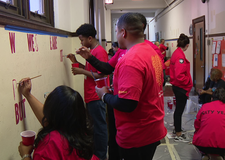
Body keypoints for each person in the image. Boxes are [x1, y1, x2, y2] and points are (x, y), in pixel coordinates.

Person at [93, 12, 167, 160]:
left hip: (137, 134)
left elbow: (128, 104)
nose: (117, 36)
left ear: (123, 32)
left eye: (116, 32)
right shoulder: (151, 52)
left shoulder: (131, 60)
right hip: (152, 126)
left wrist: (104, 95)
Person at [17, 78, 98, 160]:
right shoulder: (79, 130)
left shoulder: (50, 143)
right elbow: (50, 121)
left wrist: (26, 155)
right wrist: (28, 95)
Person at [67, 23, 108, 160]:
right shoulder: (92, 52)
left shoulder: (99, 52)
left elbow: (101, 74)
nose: (81, 43)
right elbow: (91, 70)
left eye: (82, 40)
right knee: (94, 127)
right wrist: (76, 62)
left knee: (99, 127)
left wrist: (81, 71)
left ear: (90, 38)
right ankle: (97, 154)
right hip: (91, 95)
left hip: (97, 95)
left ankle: (101, 155)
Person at [193, 87, 225, 160]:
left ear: (212, 98)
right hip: (224, 146)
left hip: (203, 145)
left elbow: (197, 125)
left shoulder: (205, 106)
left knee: (198, 133)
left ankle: (204, 153)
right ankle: (223, 155)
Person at [169, 33, 193, 142]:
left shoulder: (176, 53)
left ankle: (177, 128)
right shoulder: (180, 57)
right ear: (187, 45)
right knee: (179, 110)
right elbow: (179, 75)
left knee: (178, 109)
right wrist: (188, 81)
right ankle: (178, 132)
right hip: (180, 87)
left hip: (177, 86)